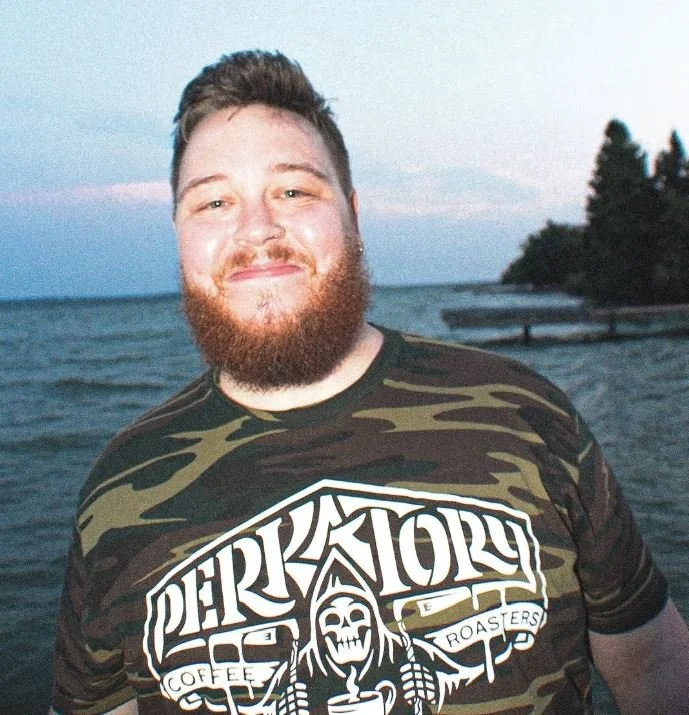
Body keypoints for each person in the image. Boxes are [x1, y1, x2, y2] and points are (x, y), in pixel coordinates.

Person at [50, 50, 689, 715]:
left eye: (293, 191)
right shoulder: (121, 493)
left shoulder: (526, 415)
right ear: (179, 235)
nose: (257, 228)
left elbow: (654, 661)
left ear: (351, 214)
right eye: (213, 201)